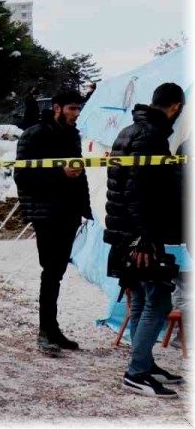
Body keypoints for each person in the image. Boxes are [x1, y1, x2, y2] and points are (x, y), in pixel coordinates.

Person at [105, 82, 185, 397]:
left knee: (140, 299)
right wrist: (142, 237)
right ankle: (137, 372)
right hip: (140, 233)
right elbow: (137, 191)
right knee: (159, 300)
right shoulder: (151, 136)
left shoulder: (129, 131)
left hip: (127, 231)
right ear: (176, 107)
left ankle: (144, 364)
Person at [12, 89, 91, 354]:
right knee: (50, 272)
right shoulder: (34, 135)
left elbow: (79, 173)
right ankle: (45, 331)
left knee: (56, 273)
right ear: (57, 107)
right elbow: (22, 176)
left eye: (78, 108)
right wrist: (60, 173)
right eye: (72, 108)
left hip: (69, 212)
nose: (76, 114)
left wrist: (84, 207)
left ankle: (52, 329)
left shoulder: (72, 135)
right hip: (45, 213)